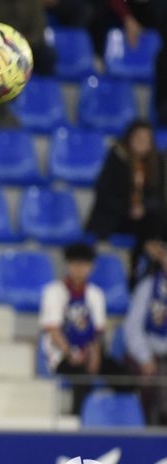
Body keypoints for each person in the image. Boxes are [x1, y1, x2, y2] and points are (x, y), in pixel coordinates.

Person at [39, 243, 126, 415]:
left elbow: (98, 331)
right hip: (61, 356)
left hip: (89, 352)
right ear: (68, 265)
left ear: (91, 267)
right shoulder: (53, 291)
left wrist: (95, 355)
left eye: (84, 265)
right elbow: (53, 329)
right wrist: (70, 353)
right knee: (81, 375)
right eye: (75, 264)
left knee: (124, 376)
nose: (79, 269)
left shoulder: (96, 294)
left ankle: (119, 420)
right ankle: (78, 425)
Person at [87, 120, 166, 241]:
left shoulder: (156, 163)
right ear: (129, 138)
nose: (142, 142)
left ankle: (155, 254)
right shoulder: (116, 157)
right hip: (116, 215)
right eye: (138, 137)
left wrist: (143, 207)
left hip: (144, 216)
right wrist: (128, 208)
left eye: (146, 139)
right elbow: (103, 192)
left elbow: (158, 197)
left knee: (157, 220)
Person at [125, 246, 167, 425]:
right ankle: (151, 432)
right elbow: (132, 327)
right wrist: (145, 357)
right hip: (150, 353)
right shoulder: (148, 287)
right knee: (150, 381)